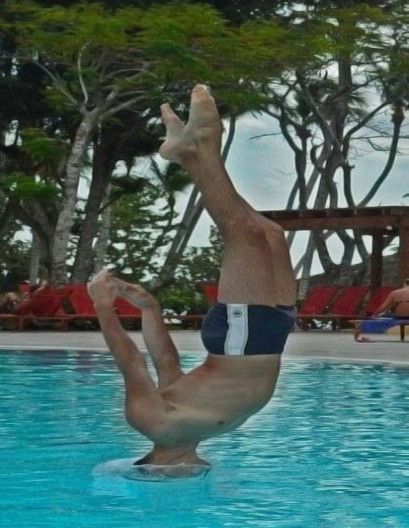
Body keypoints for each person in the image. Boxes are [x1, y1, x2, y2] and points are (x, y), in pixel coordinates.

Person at [87, 85, 297, 479]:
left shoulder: (152, 421)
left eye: (174, 477)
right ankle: (186, 155)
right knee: (271, 234)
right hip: (268, 334)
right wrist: (150, 307)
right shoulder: (187, 420)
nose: (194, 470)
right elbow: (165, 361)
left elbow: (130, 361)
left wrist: (103, 307)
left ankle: (201, 146)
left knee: (243, 233)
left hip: (241, 344)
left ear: (154, 467)